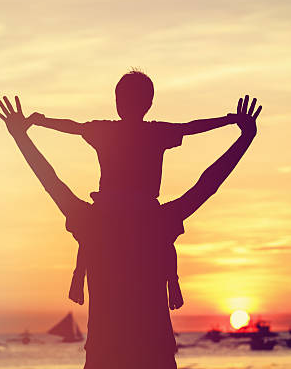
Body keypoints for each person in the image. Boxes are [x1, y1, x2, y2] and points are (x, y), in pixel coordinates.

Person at [0, 93, 262, 369]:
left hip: (105, 354)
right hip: (152, 352)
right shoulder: (159, 222)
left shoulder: (92, 222)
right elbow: (207, 183)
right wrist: (243, 136)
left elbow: (50, 179)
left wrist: (21, 136)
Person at [30, 71, 237, 309]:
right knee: (160, 236)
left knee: (96, 232)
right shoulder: (145, 132)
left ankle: (166, 282)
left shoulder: (120, 131)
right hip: (130, 206)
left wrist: (41, 121)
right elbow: (190, 128)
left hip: (125, 206)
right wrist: (228, 120)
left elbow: (73, 127)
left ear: (142, 103)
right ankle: (85, 277)